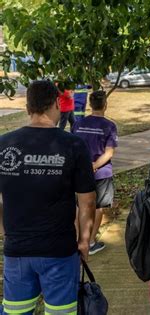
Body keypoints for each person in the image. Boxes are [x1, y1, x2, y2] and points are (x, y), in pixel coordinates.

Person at [0, 80, 96, 314]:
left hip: (17, 251)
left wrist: (5, 232)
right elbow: (87, 200)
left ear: (28, 108)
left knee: (16, 311)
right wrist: (85, 240)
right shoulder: (73, 144)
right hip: (59, 251)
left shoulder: (3, 144)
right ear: (56, 103)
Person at [72, 90, 118, 255]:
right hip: (102, 173)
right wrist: (95, 165)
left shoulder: (78, 124)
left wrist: (85, 166)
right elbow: (109, 152)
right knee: (98, 207)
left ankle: (79, 239)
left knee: (79, 205)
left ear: (90, 105)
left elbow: (73, 148)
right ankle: (90, 242)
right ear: (105, 105)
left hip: (80, 172)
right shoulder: (110, 126)